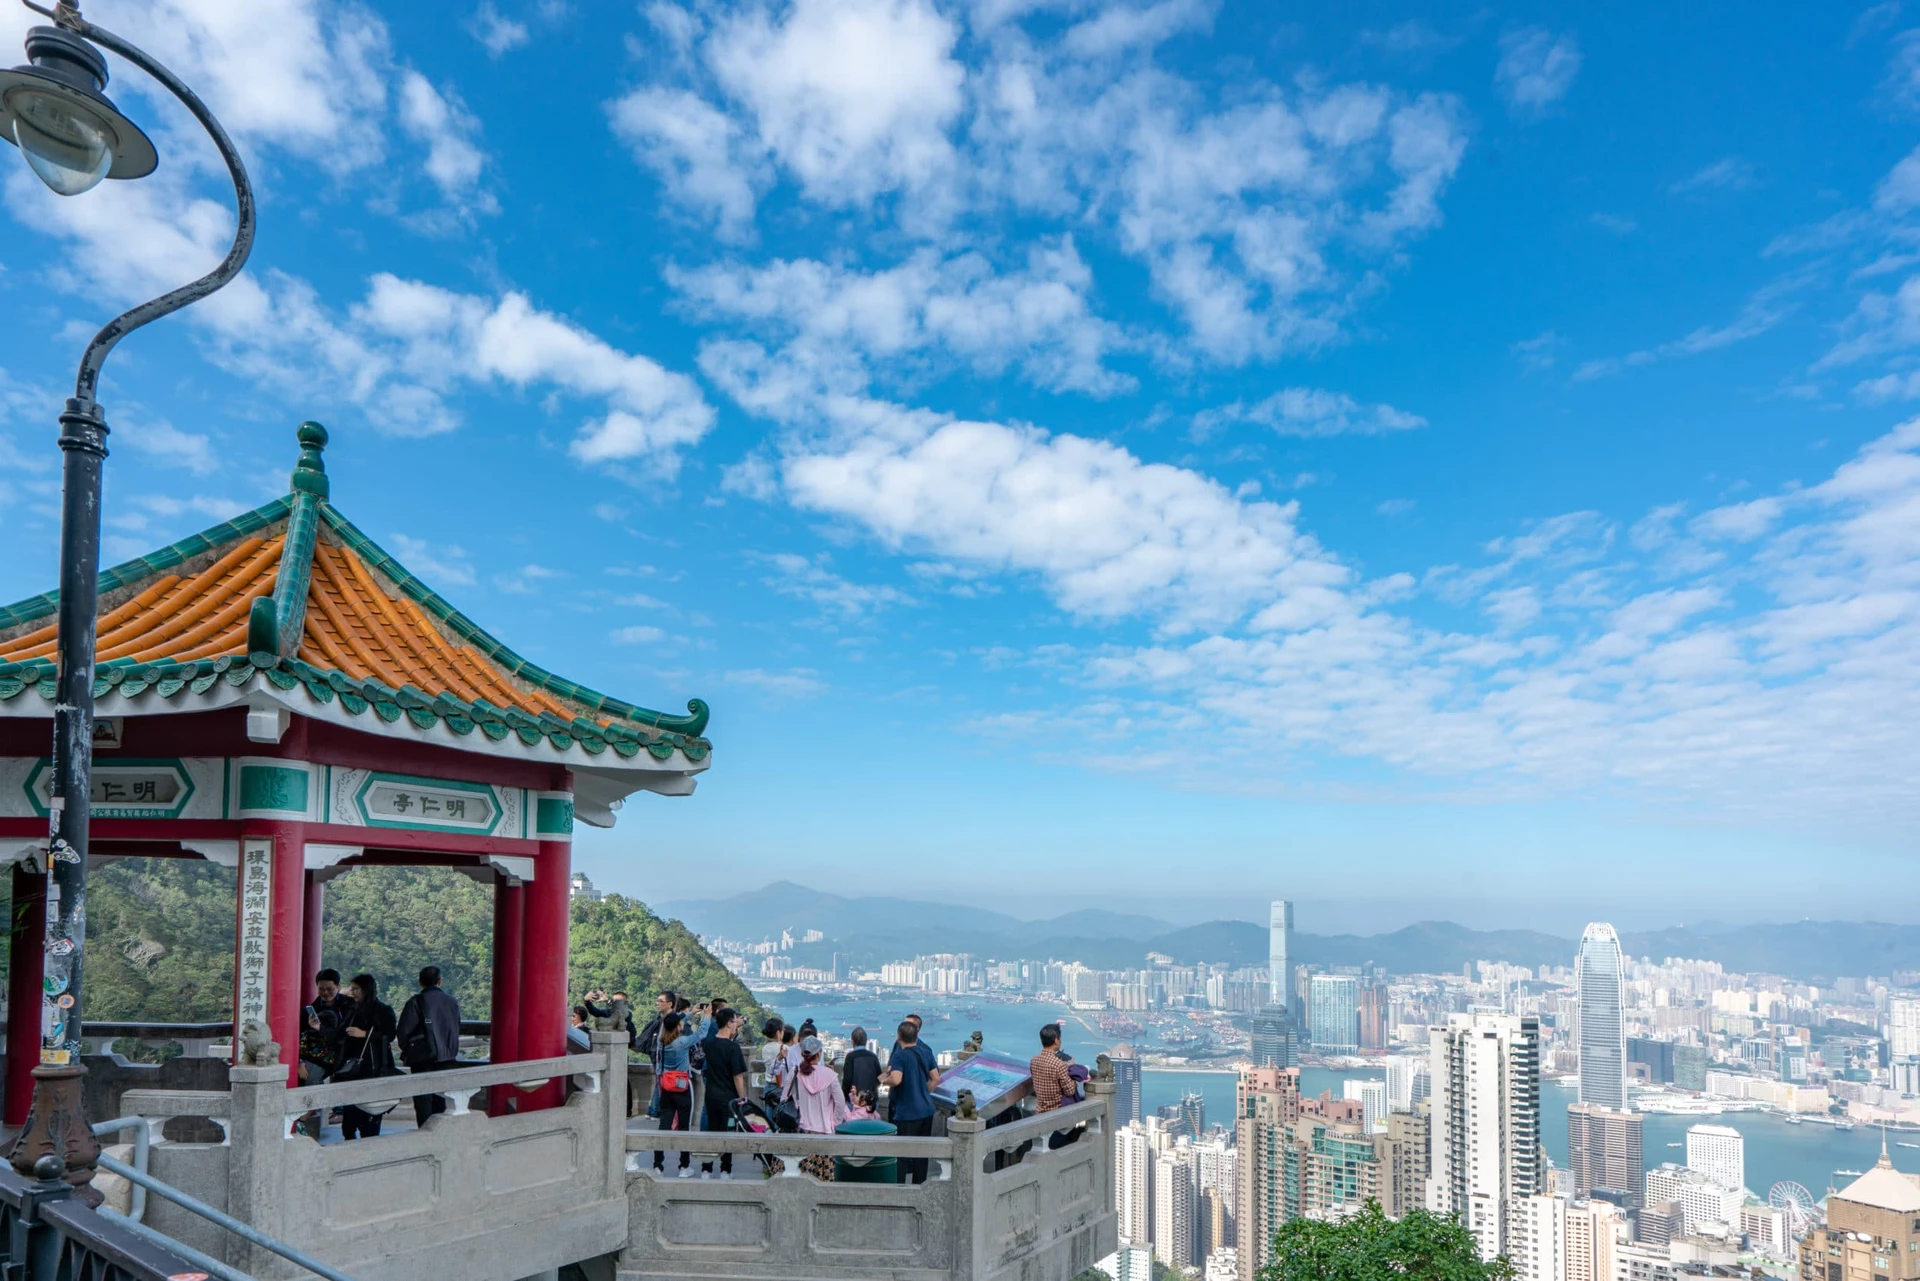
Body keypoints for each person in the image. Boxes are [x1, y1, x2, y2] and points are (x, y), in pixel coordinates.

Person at [397, 966, 462, 1127]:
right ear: (440, 981)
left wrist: (409, 1050)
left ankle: (425, 1137)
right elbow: (456, 1026)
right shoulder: (452, 1001)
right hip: (447, 1058)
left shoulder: (415, 1002)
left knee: (423, 1101)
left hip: (422, 1059)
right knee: (442, 1100)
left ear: (420, 982)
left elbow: (403, 1031)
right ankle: (440, 1135)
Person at [337, 973, 397, 1140]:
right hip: (351, 1068)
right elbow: (340, 1031)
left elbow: (390, 1035)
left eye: (356, 989)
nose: (353, 992)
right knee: (349, 1122)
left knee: (370, 1116)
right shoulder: (352, 1009)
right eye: (352, 988)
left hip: (373, 1067)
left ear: (366, 990)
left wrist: (364, 1034)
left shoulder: (383, 1010)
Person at [782, 1035, 850, 1181]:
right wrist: (835, 1123)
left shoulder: (794, 1073)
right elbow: (840, 1103)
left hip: (800, 1132)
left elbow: (783, 1099)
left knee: (801, 1178)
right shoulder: (830, 1075)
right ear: (819, 1054)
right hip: (825, 1134)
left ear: (802, 1054)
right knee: (824, 1180)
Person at [884, 1019, 939, 1184]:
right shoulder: (926, 1052)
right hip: (927, 1110)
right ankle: (919, 1186)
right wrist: (923, 1091)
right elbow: (936, 1078)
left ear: (899, 1036)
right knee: (921, 1153)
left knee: (901, 1153)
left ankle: (900, 1189)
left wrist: (883, 1079)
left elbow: (896, 1079)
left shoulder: (899, 1056)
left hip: (907, 1112)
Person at [699, 1008, 748, 1179]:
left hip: (711, 1095)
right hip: (729, 1098)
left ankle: (706, 1168)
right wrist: (742, 1098)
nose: (736, 1025)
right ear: (729, 1023)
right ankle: (726, 1169)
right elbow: (738, 1076)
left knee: (712, 1131)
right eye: (735, 1022)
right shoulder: (733, 1048)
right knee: (728, 1132)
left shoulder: (709, 1044)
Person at [652, 1012, 696, 1176]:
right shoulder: (682, 1042)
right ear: (678, 1026)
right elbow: (702, 1033)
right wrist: (706, 1016)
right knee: (684, 1126)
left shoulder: (661, 1041)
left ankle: (658, 1165)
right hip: (682, 1087)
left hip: (666, 1087)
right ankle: (684, 1166)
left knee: (664, 1125)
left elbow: (670, 1023)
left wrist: (689, 1013)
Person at [1028, 1023, 1083, 1148]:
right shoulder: (1059, 1065)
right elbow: (1069, 1091)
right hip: (1058, 1114)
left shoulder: (1034, 1061)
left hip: (1041, 1111)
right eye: (1060, 1038)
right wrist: (1073, 1076)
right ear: (1056, 1040)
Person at [299, 968, 354, 1085]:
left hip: (344, 1054)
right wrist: (301, 1061)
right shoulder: (311, 1010)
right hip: (318, 1057)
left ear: (338, 986)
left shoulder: (349, 1005)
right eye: (321, 989)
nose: (325, 993)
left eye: (330, 989)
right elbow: (301, 1036)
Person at [841, 1026, 881, 1106]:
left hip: (855, 1100)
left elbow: (847, 1080)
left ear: (853, 1041)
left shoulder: (850, 1056)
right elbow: (880, 1077)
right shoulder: (873, 1056)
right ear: (866, 1041)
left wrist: (844, 1095)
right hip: (871, 1100)